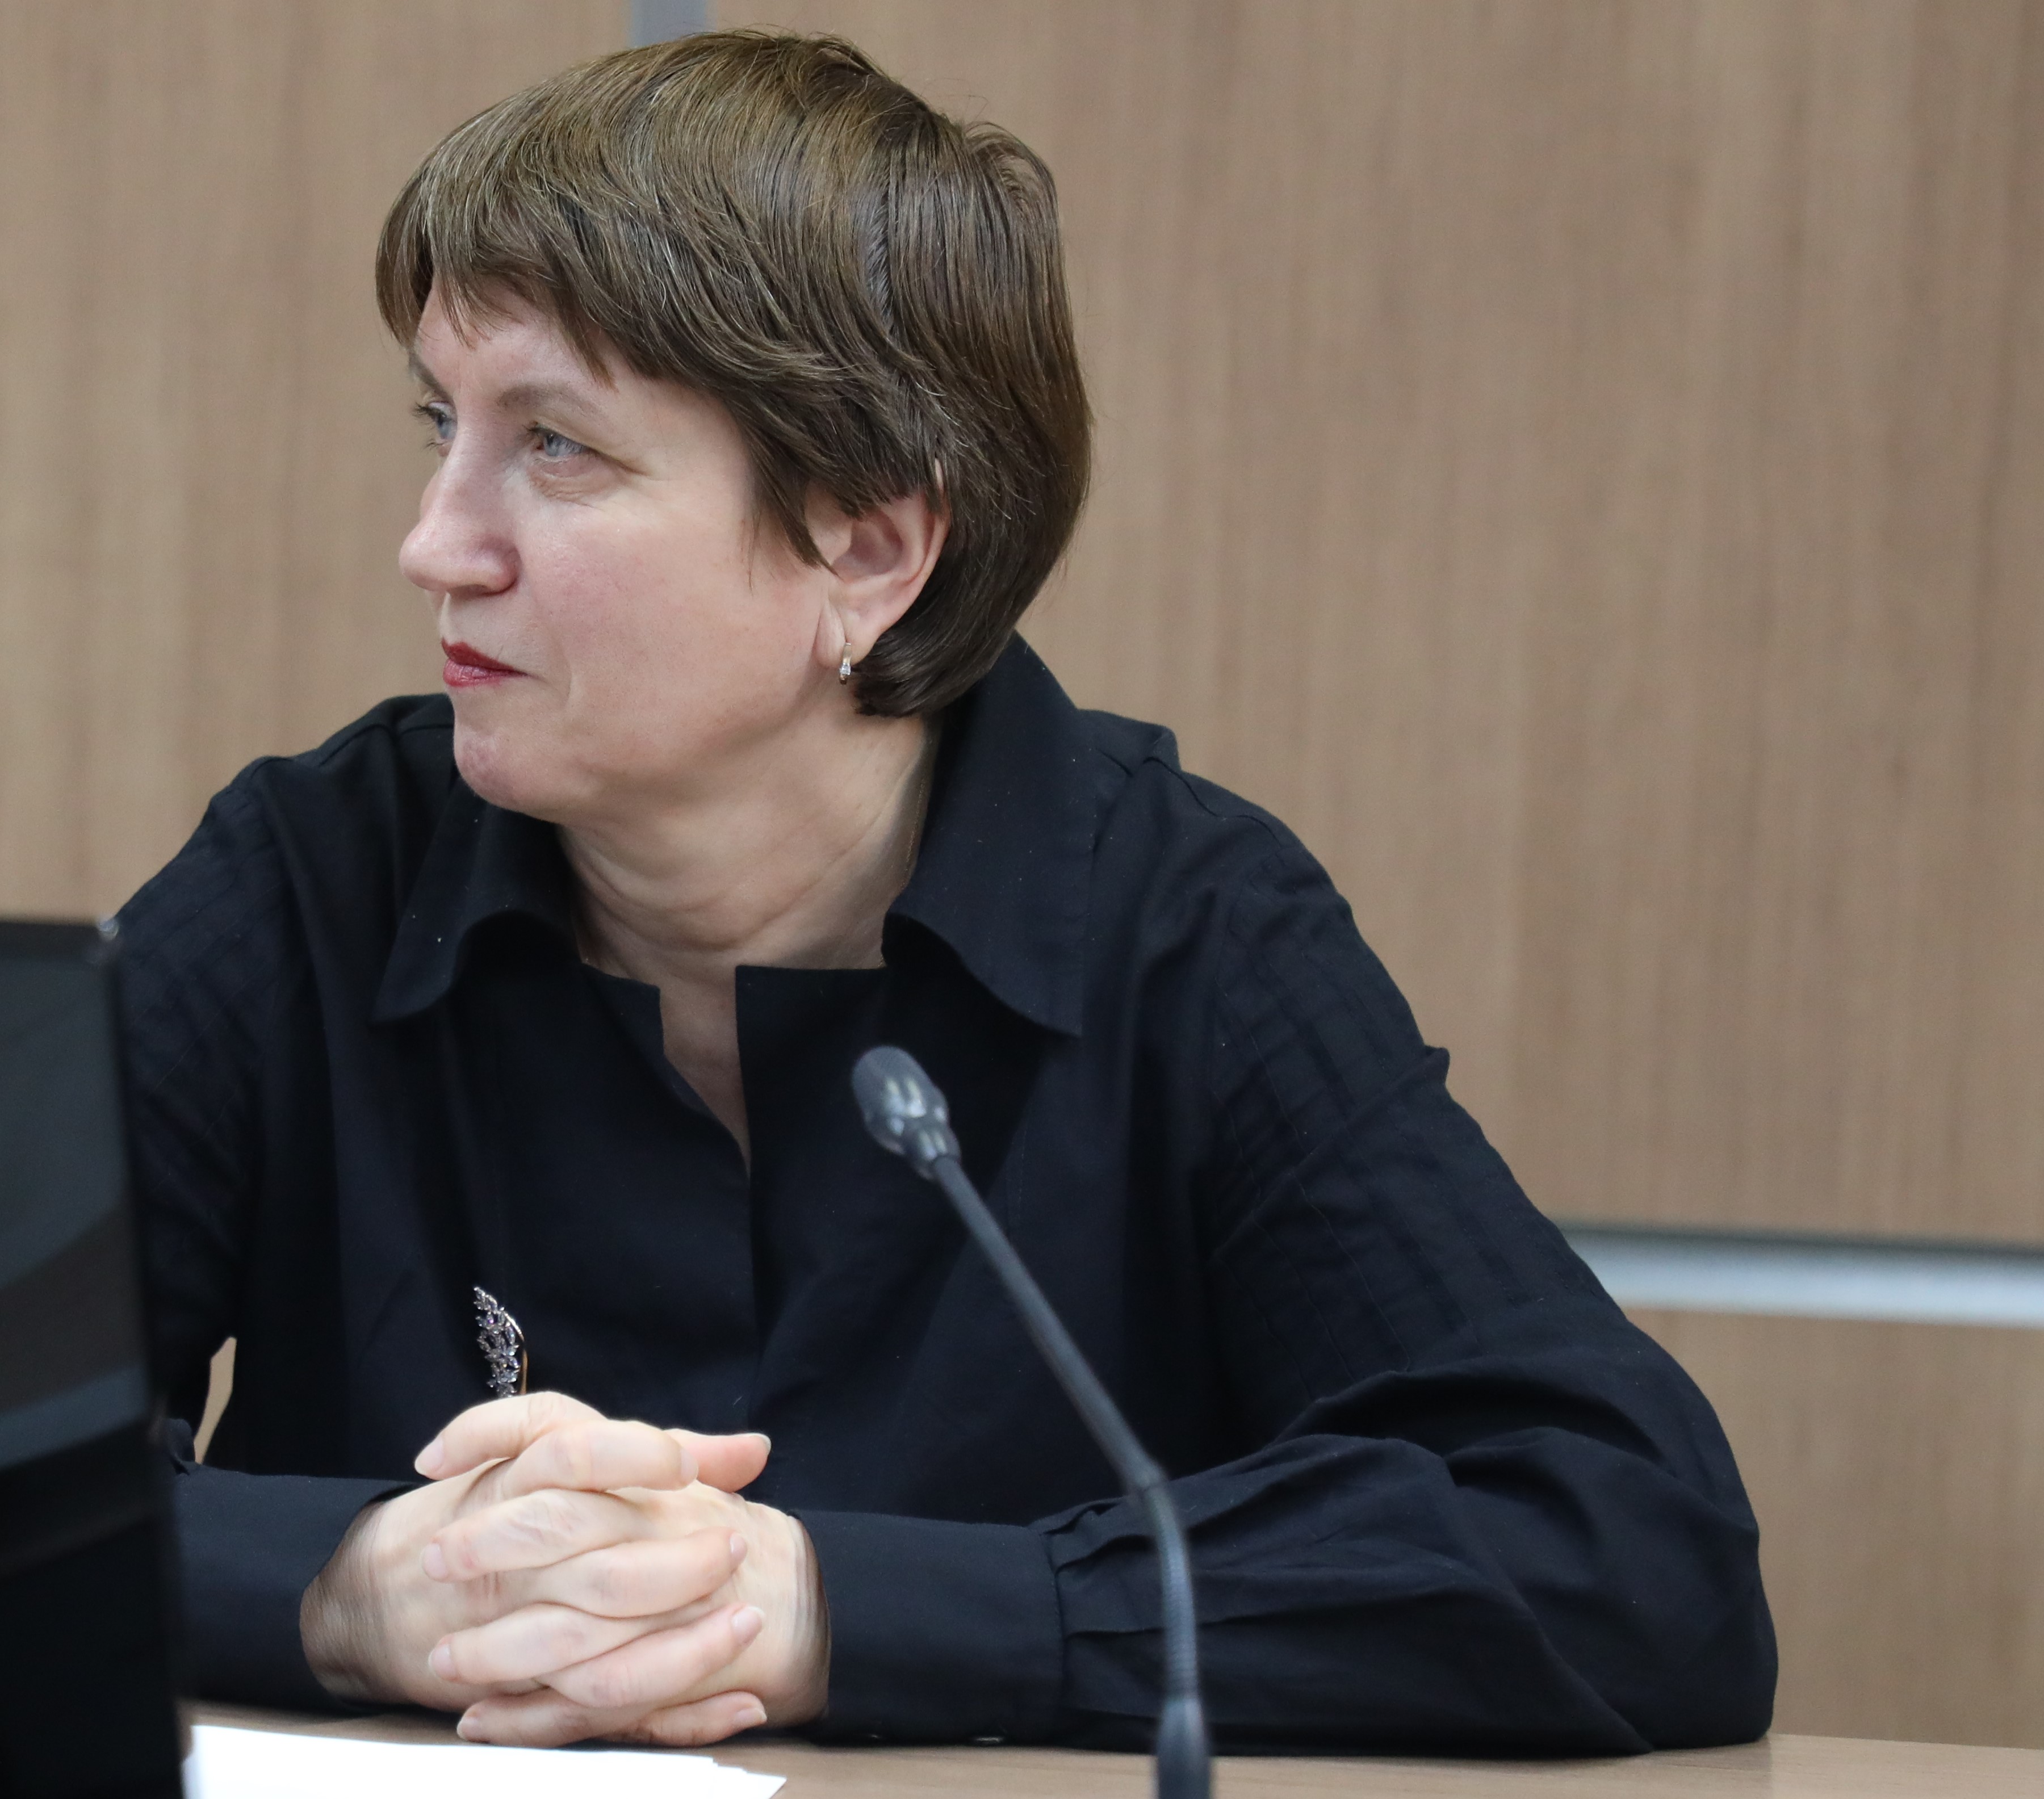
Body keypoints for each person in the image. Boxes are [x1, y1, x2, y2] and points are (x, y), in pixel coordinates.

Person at [119, 30, 1777, 1756]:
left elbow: (1630, 1553)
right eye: (441, 424)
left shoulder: (1181, 927)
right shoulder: (310, 876)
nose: (434, 542)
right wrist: (346, 1589)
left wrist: (834, 1609)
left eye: (555, 446)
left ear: (866, 549)